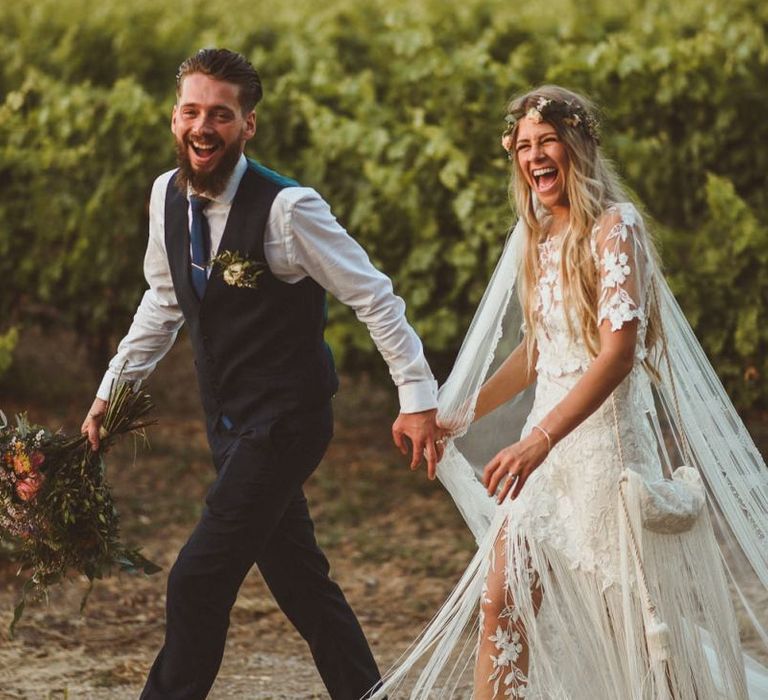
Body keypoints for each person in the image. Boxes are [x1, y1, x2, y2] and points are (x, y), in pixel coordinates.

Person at [372, 86, 768, 699]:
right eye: (523, 145)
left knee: (634, 631)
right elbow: (537, 350)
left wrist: (537, 439)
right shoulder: (539, 235)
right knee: (500, 603)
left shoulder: (617, 228)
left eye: (546, 140)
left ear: (577, 145)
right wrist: (457, 415)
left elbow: (616, 354)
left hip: (603, 457)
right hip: (546, 467)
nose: (534, 155)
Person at [80, 48, 441, 700]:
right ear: (174, 117)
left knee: (195, 578)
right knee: (301, 582)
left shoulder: (288, 210)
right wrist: (115, 388)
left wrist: (415, 396)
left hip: (288, 421)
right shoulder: (165, 196)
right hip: (228, 424)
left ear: (248, 125)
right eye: (192, 111)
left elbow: (373, 296)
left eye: (221, 114)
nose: (203, 127)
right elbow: (164, 301)